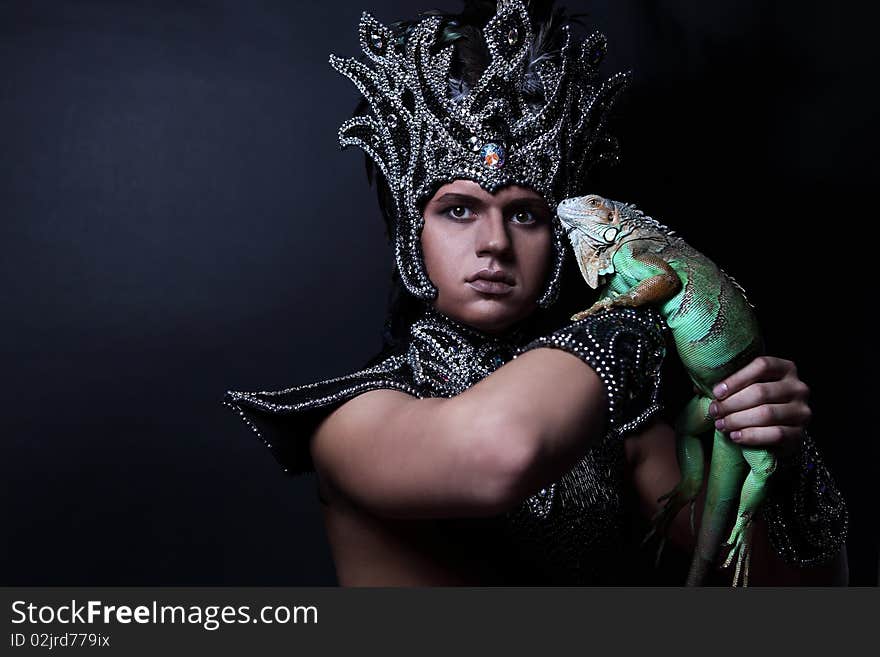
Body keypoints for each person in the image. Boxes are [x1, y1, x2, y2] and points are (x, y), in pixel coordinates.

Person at [223, 0, 848, 585]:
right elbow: (502, 450)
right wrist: (636, 308)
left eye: (526, 215)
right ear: (410, 234)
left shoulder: (618, 417)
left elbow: (793, 595)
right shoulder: (356, 421)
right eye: (459, 211)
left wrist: (780, 453)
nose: (495, 242)